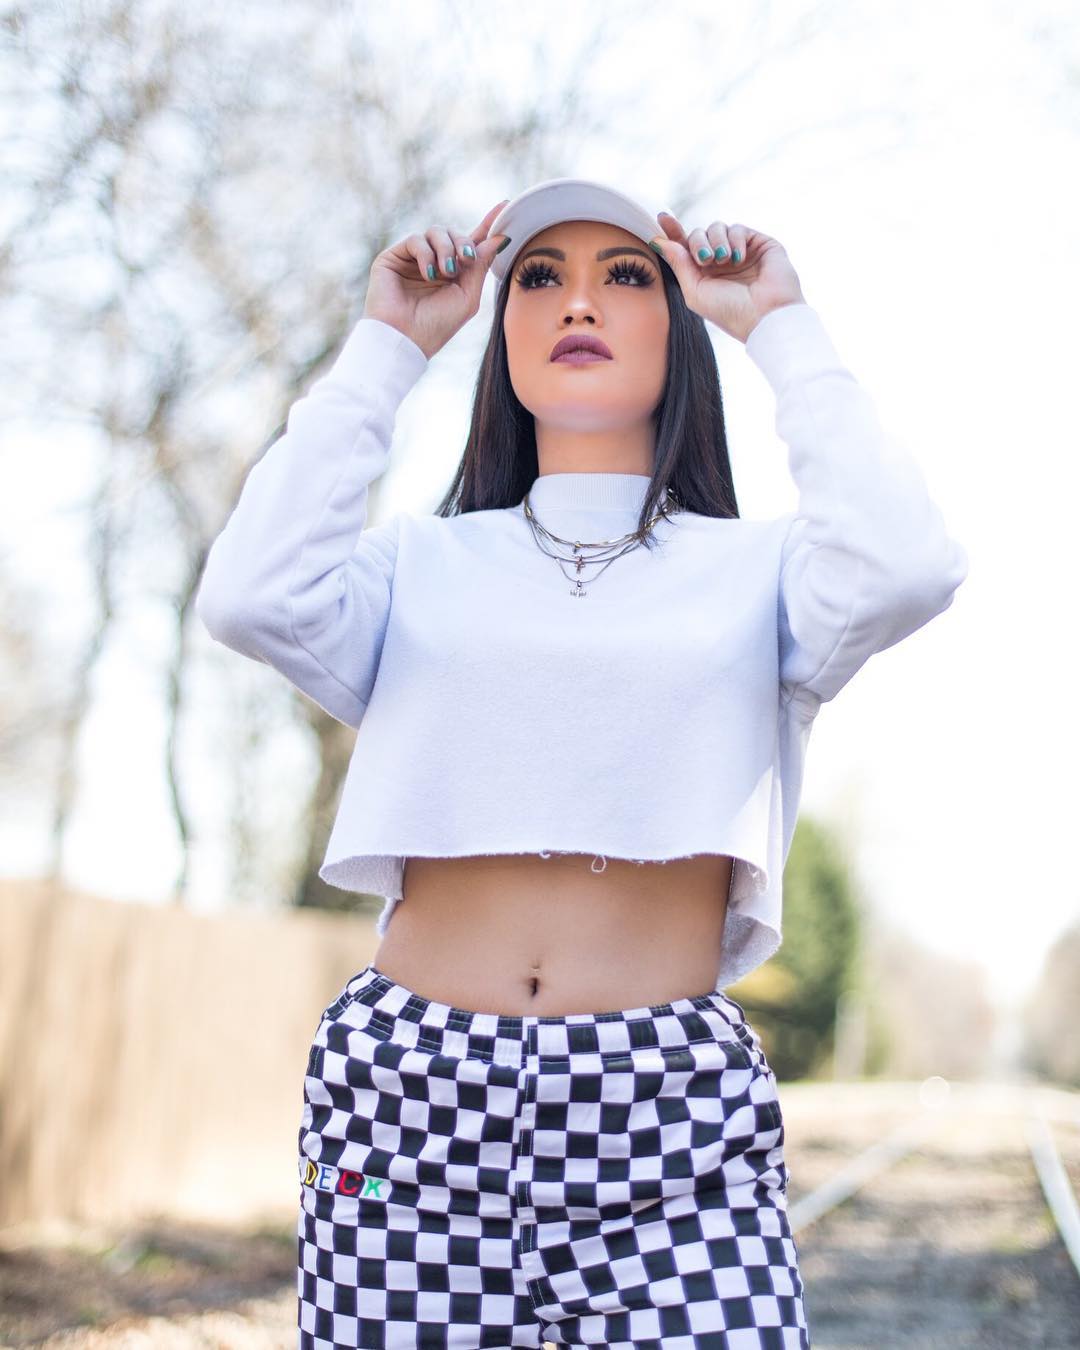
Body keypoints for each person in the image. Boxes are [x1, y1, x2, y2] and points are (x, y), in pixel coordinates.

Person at [195, 178, 968, 1349]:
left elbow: (909, 565)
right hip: (407, 1102)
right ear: (500, 332)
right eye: (541, 277)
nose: (577, 303)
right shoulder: (421, 566)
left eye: (626, 275)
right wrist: (389, 346)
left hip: (669, 1115)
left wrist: (779, 325)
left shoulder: (762, 575)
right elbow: (251, 596)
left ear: (681, 325)